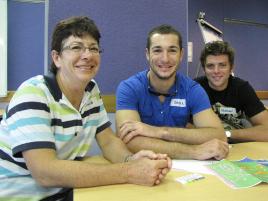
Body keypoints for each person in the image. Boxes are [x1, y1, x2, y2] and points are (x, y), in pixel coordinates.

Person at [0, 16, 171, 201]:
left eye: (93, 48)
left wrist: (132, 160)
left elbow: (108, 141)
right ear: (56, 58)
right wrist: (129, 171)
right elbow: (44, 172)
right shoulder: (33, 93)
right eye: (76, 47)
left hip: (64, 191)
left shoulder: (91, 90)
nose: (87, 55)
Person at [116, 24, 229, 160]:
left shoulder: (193, 90)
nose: (165, 59)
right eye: (157, 50)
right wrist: (193, 152)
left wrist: (160, 132)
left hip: (184, 168)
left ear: (181, 55)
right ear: (147, 54)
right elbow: (130, 140)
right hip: (143, 166)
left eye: (172, 50)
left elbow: (219, 135)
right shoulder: (129, 88)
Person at [195, 40, 268, 143]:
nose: (216, 71)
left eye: (222, 65)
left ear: (231, 68)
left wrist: (226, 134)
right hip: (205, 145)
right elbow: (183, 125)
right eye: (210, 66)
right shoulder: (194, 88)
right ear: (204, 69)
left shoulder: (242, 88)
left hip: (237, 146)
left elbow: (266, 130)